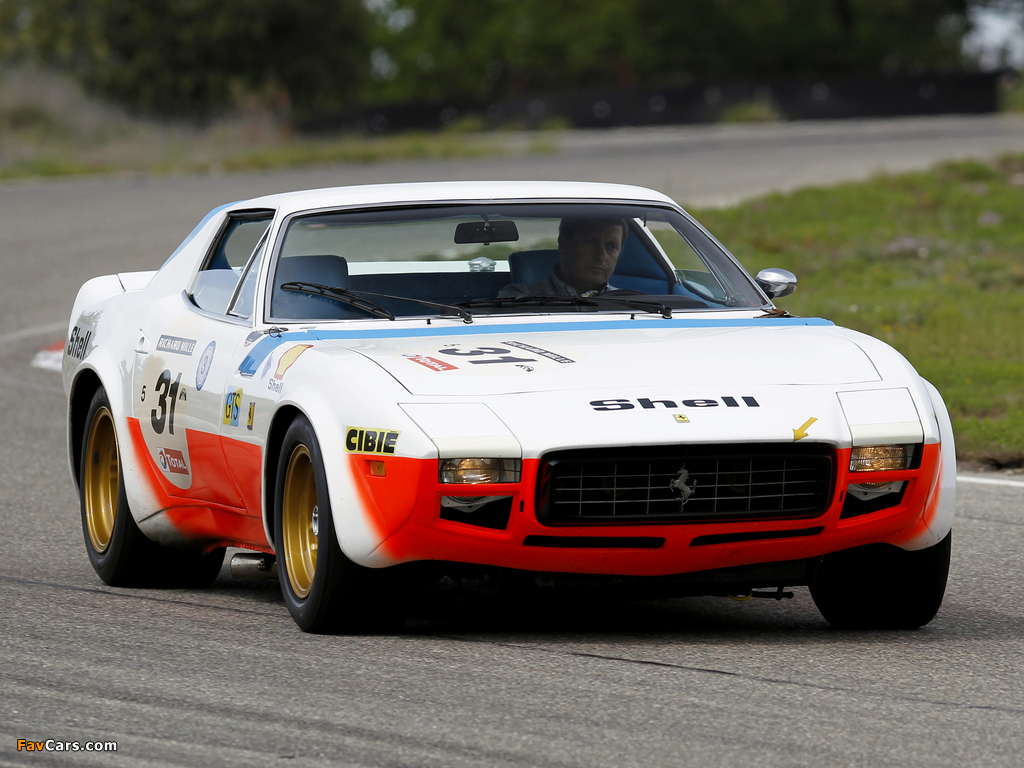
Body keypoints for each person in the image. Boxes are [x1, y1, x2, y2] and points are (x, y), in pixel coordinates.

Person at [498, 216, 627, 298]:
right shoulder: (520, 298)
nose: (601, 256)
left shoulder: (630, 303)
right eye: (590, 243)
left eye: (612, 247)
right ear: (564, 245)